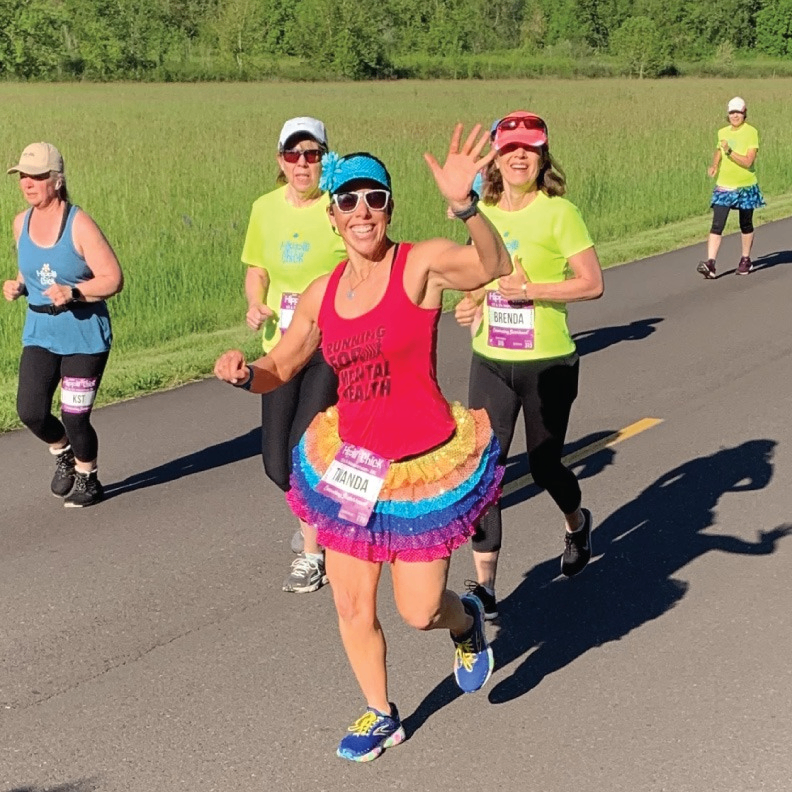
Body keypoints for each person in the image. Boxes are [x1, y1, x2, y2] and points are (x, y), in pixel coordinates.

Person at [215, 124, 511, 762]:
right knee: (351, 604)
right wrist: (245, 375)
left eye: (374, 198)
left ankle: (465, 622)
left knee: (420, 610)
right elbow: (283, 363)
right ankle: (381, 713)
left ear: (389, 207)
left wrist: (466, 206)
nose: (361, 211)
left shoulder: (420, 264)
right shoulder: (323, 292)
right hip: (353, 466)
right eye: (347, 200)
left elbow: (493, 265)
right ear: (332, 215)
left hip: (420, 466)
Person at [454, 111, 604, 621]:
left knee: (544, 467)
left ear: (542, 157)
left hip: (547, 363)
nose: (519, 156)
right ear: (496, 158)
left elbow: (592, 283)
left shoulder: (560, 213)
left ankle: (576, 522)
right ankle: (485, 586)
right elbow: (475, 276)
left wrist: (531, 290)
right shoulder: (483, 214)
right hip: (491, 360)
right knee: (483, 469)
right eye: (510, 148)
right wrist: (471, 301)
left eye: (529, 149)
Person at [240, 116, 347, 593]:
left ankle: (313, 555)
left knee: (304, 449)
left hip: (327, 347)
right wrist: (254, 302)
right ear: (280, 161)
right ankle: (318, 518)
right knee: (274, 463)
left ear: (325, 158)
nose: (303, 164)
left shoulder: (339, 205)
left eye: (312, 154)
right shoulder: (264, 208)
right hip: (279, 347)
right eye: (293, 155)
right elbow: (257, 268)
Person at [3, 142, 123, 507]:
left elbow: (113, 278)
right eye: (23, 176)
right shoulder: (20, 223)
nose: (28, 183)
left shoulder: (79, 224)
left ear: (57, 180)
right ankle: (63, 453)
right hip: (40, 332)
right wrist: (18, 285)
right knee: (30, 411)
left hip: (83, 336)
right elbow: (33, 270)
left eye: (37, 176)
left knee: (74, 416)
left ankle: (89, 478)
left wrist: (74, 292)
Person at [697, 96, 764, 279]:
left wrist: (730, 152)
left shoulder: (751, 132)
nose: (735, 116)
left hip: (745, 186)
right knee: (717, 223)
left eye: (738, 113)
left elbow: (748, 161)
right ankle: (710, 263)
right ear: (728, 114)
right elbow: (719, 150)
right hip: (724, 185)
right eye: (732, 112)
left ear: (744, 113)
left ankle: (745, 259)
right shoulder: (722, 132)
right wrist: (715, 165)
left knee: (745, 223)